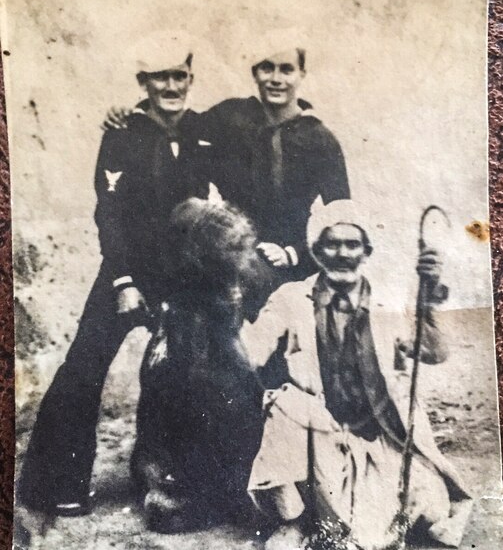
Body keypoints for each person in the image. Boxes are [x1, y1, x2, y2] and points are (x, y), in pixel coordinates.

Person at [17, 36, 210, 517]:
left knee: (192, 368)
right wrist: (123, 281)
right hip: (127, 269)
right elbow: (110, 211)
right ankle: (56, 483)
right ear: (142, 83)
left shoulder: (205, 129)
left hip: (184, 274)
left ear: (190, 78)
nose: (171, 86)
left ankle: (182, 479)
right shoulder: (122, 132)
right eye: (159, 77)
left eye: (179, 76)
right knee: (83, 368)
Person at [239, 201, 472, 550]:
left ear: (367, 250)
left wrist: (430, 295)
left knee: (431, 509)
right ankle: (294, 520)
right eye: (332, 244)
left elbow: (434, 353)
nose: (342, 254)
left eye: (352, 244)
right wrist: (227, 298)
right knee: (285, 403)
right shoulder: (290, 298)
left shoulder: (388, 302)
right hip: (318, 435)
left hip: (381, 432)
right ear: (316, 250)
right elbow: (251, 353)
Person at [105, 40, 350, 312]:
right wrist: (131, 115)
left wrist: (294, 254)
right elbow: (171, 127)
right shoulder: (230, 116)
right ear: (255, 73)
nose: (276, 79)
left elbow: (342, 217)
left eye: (286, 70)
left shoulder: (321, 139)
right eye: (267, 69)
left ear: (301, 74)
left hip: (293, 270)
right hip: (234, 267)